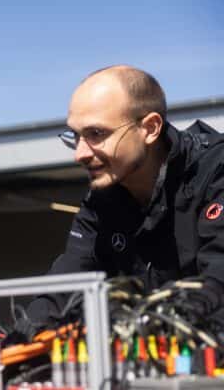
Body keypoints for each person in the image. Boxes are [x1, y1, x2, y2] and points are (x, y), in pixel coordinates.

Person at [27, 65, 224, 326]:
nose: (80, 153)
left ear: (150, 128)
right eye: (75, 136)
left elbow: (218, 285)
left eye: (96, 134)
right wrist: (11, 345)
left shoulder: (215, 172)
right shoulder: (101, 200)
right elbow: (63, 290)